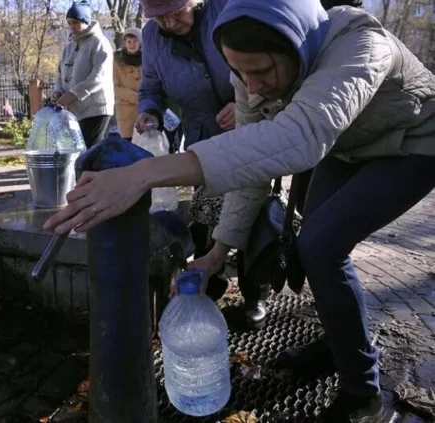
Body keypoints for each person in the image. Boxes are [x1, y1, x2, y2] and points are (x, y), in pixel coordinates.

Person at [45, 0, 435, 420]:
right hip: (348, 146)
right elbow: (252, 171)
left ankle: (364, 393)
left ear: (297, 48)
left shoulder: (361, 45)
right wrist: (215, 254)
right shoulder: (251, 73)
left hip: (412, 143)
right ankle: (336, 342)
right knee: (312, 246)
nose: (250, 89)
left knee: (322, 244)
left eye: (262, 73)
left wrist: (146, 173)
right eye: (240, 74)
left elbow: (299, 136)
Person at [137, 0, 270, 325]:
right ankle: (212, 281)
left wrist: (244, 106)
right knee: (204, 212)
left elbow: (267, 71)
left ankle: (255, 296)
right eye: (159, 16)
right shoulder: (152, 36)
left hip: (251, 128)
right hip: (202, 136)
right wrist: (149, 110)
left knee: (251, 209)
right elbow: (151, 86)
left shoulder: (227, 10)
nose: (168, 22)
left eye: (175, 11)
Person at [52, 0, 115, 148]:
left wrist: (74, 93)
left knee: (89, 154)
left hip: (96, 109)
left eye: (75, 22)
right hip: (74, 110)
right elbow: (60, 74)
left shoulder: (99, 43)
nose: (71, 27)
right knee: (78, 154)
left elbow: (99, 77)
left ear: (85, 21)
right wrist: (57, 91)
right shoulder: (69, 47)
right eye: (69, 23)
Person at [112, 27, 142, 141]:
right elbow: (115, 87)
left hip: (144, 108)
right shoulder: (117, 60)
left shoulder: (148, 57)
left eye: (135, 41)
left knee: (145, 144)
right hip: (125, 111)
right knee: (128, 144)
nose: (132, 45)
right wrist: (135, 97)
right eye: (129, 41)